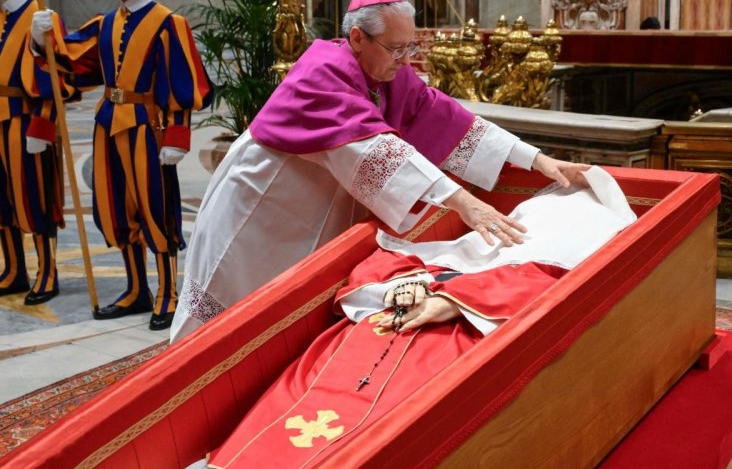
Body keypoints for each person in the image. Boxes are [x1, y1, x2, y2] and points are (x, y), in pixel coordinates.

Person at [170, 0, 589, 343]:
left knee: (281, 316)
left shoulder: (388, 73)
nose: (406, 59)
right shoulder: (321, 73)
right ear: (357, 38)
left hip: (308, 214)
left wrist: (536, 159)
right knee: (220, 317)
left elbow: (448, 119)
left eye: (411, 47)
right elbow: (375, 151)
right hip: (259, 212)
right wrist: (463, 202)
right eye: (396, 48)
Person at [202, 166, 637, 468]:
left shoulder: (563, 259)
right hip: (384, 324)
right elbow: (386, 262)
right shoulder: (483, 242)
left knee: (388, 417)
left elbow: (545, 295)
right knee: (308, 393)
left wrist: (451, 301)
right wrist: (403, 285)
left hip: (453, 337)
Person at [30, 0, 213, 330]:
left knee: (156, 209)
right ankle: (136, 290)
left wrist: (177, 135)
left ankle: (168, 292)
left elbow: (182, 80)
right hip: (108, 126)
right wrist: (40, 39)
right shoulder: (105, 23)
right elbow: (73, 63)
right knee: (116, 209)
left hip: (148, 128)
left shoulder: (168, 24)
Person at [0, 0, 70, 305]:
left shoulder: (39, 16)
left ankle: (47, 271)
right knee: (1, 199)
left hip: (26, 121)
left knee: (36, 198)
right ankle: (14, 269)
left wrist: (42, 128)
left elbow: (55, 80)